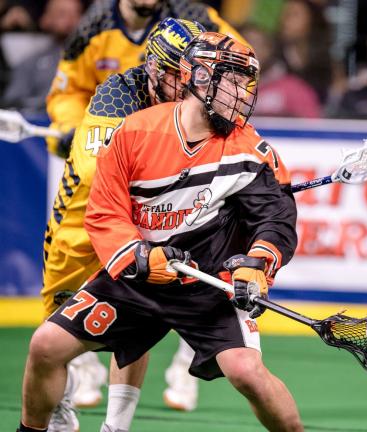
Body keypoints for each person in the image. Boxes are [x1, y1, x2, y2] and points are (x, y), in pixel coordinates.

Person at [18, 31, 303, 432]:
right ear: (200, 78)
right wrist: (138, 257)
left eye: (246, 82)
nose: (243, 92)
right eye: (234, 80)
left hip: (207, 285)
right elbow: (104, 213)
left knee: (246, 372)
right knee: (45, 346)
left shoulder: (250, 149)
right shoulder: (134, 130)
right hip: (138, 280)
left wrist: (258, 264)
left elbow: (275, 219)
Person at [43, 0, 249, 416]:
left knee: (138, 316)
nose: (197, 87)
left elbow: (239, 66)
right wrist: (66, 130)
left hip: (149, 217)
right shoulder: (116, 94)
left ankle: (119, 424)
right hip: (84, 226)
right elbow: (97, 176)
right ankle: (61, 408)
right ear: (157, 71)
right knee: (55, 330)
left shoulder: (196, 29)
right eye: (183, 77)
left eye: (200, 77)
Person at [45, 0, 245, 158]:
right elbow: (68, 93)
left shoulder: (197, 18)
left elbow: (243, 67)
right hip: (114, 142)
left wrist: (207, 121)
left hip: (182, 143)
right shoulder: (91, 27)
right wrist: (73, 127)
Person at [0, 0, 84, 114]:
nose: (71, 20)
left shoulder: (95, 60)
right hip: (39, 124)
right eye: (62, 14)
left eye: (76, 14)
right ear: (45, 20)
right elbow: (11, 103)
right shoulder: (30, 63)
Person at [240, 23, 321, 118]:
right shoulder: (224, 85)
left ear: (269, 49)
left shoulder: (294, 88)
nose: (251, 49)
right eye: (245, 43)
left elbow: (311, 128)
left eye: (257, 43)